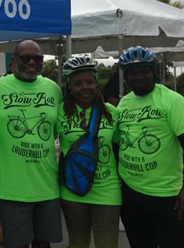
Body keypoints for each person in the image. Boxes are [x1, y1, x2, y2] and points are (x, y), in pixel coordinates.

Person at [0, 40, 63, 248]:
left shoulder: (53, 89)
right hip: (11, 189)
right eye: (26, 58)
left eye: (38, 58)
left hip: (48, 186)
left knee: (43, 243)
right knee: (17, 245)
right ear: (14, 61)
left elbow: (58, 130)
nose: (32, 62)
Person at [116, 46, 184, 248]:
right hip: (130, 192)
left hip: (165, 194)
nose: (139, 77)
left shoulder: (172, 101)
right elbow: (117, 143)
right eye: (132, 73)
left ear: (154, 72)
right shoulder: (124, 103)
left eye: (144, 71)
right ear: (125, 77)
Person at [57, 57, 120, 248]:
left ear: (96, 82)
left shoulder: (111, 112)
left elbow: (119, 147)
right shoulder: (59, 112)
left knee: (107, 244)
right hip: (72, 190)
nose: (84, 87)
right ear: (69, 85)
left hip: (107, 189)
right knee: (78, 243)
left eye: (89, 82)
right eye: (78, 83)